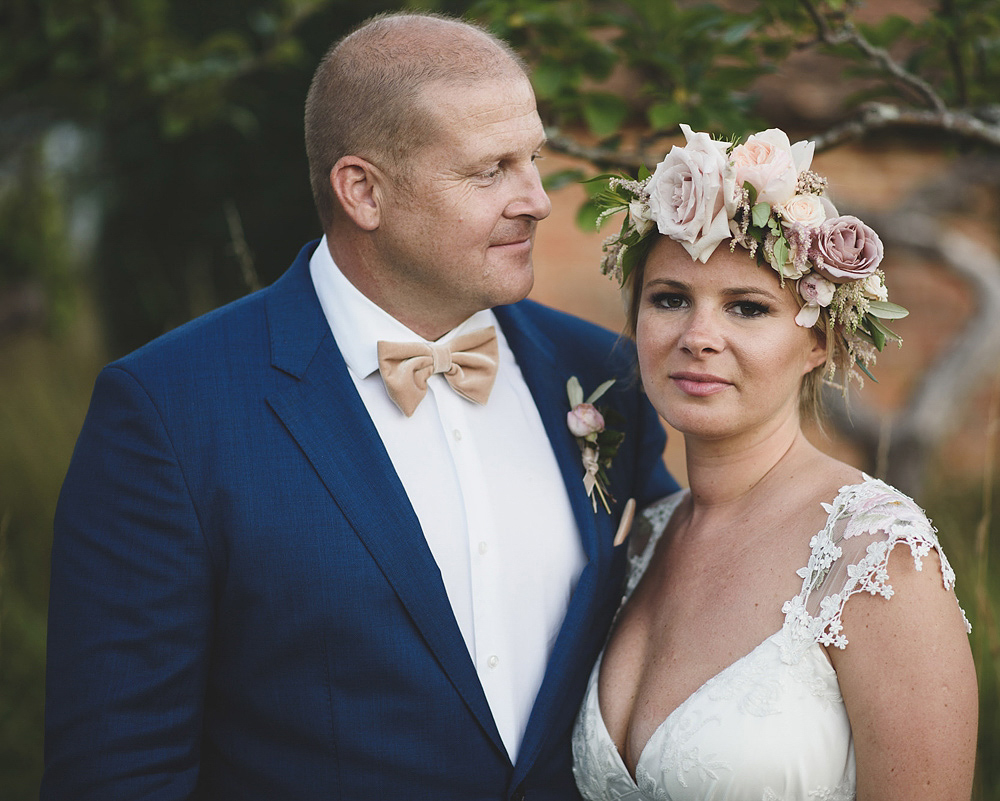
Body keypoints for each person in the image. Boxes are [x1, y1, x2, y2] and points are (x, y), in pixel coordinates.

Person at [42, 12, 675, 800]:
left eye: (535, 158)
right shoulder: (170, 413)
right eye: (492, 171)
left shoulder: (602, 374)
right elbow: (119, 769)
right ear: (363, 191)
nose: (540, 200)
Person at [571, 125, 978, 799]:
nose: (699, 337)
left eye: (748, 307)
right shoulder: (640, 540)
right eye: (670, 298)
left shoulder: (877, 554)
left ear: (818, 340)